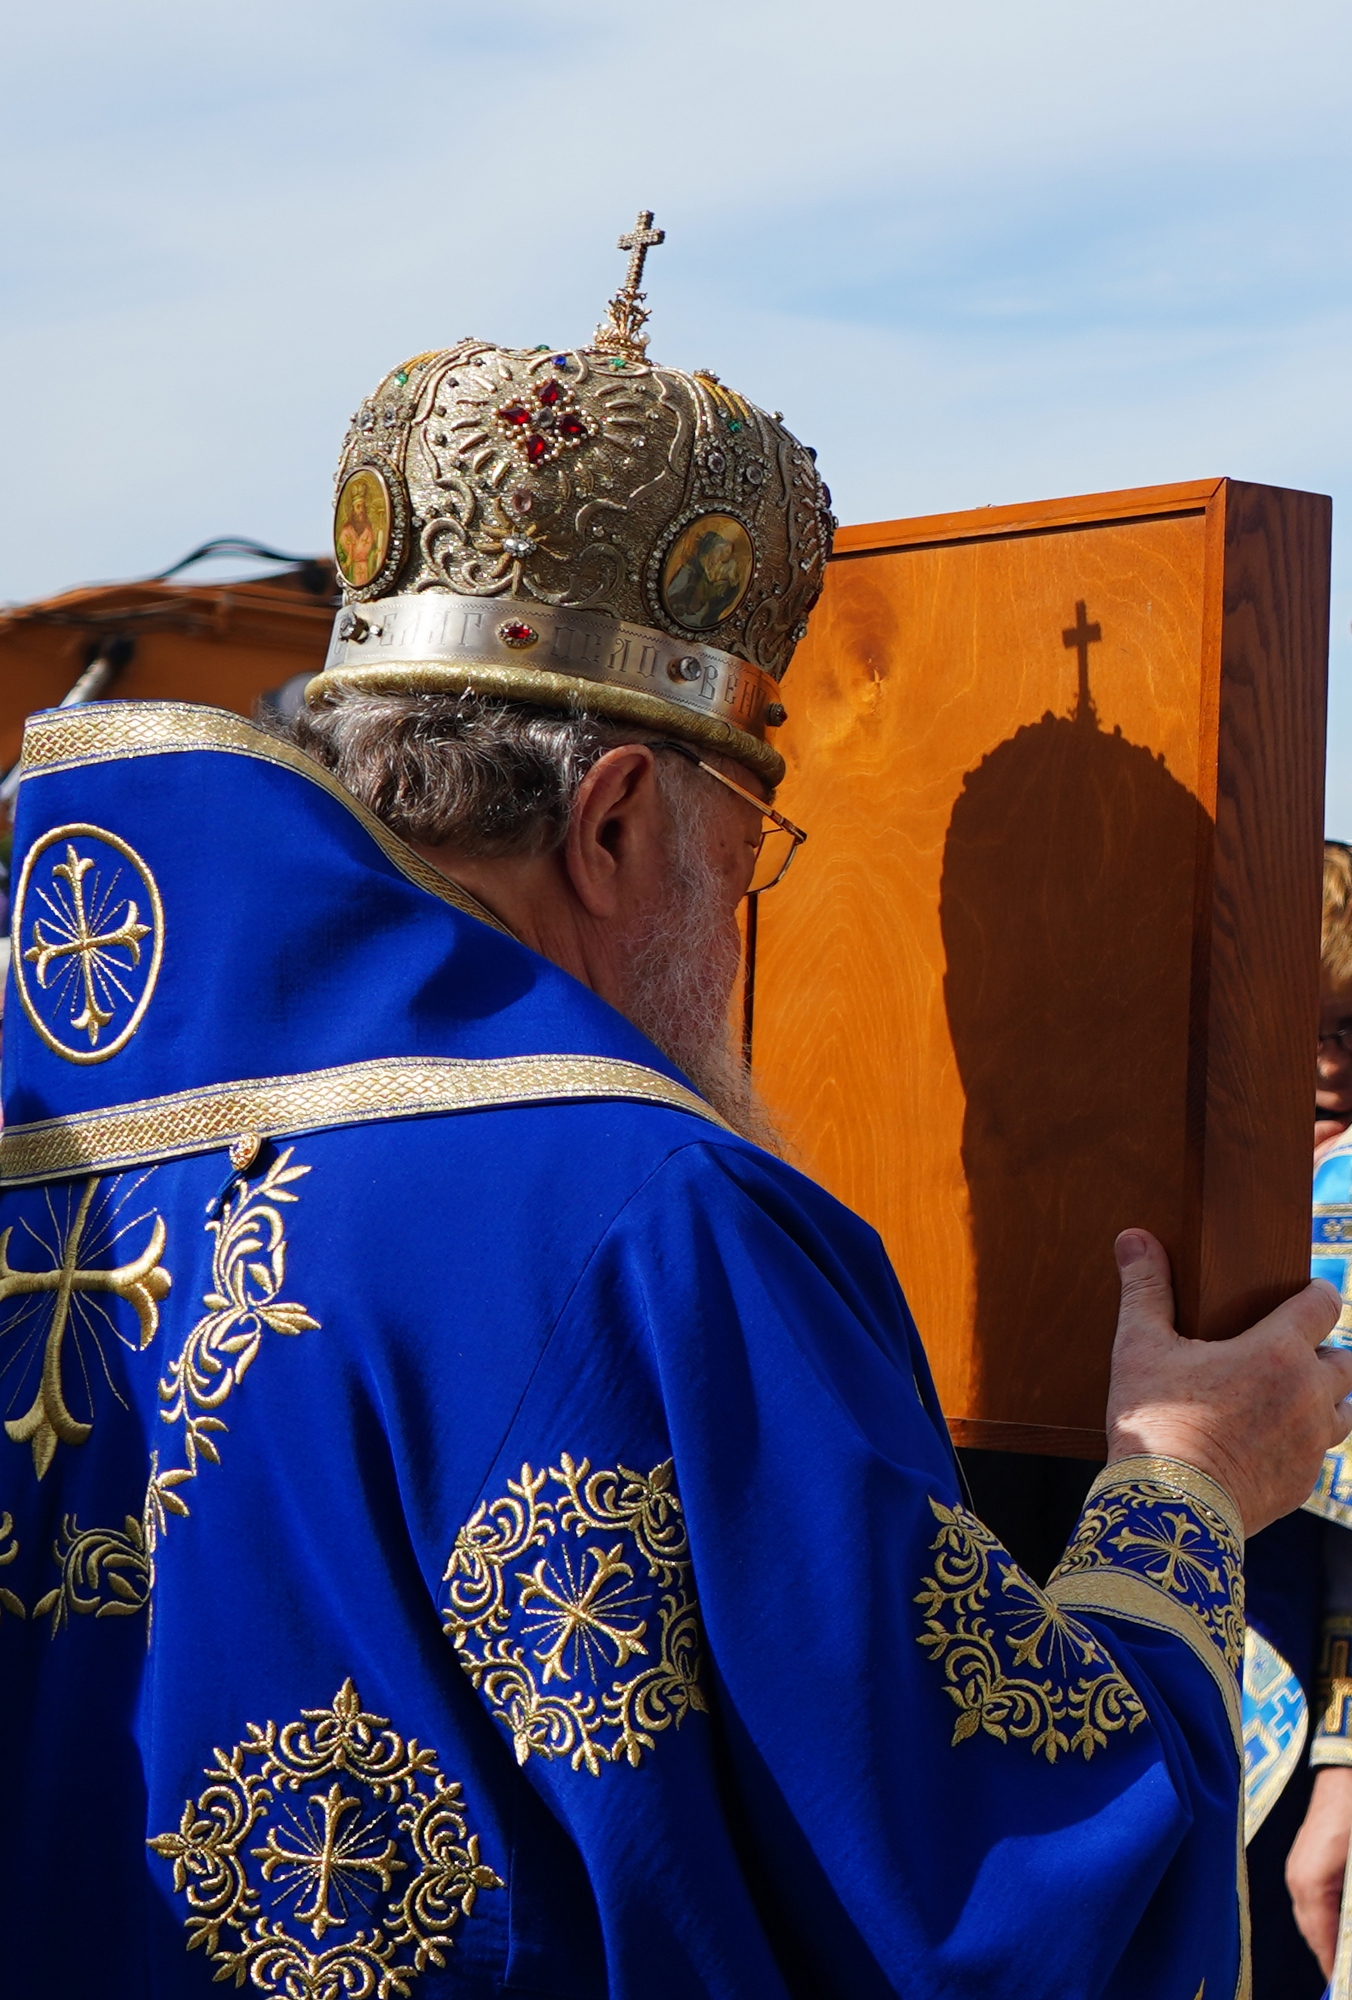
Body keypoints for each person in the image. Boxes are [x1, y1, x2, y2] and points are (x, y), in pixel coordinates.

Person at [2, 251, 1350, 1999]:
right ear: (623, 821)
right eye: (743, 857)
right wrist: (1179, 1487)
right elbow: (975, 1883)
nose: (736, 927)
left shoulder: (56, 1139)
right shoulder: (648, 1212)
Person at [1243, 840, 1352, 1991]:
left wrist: (1340, 1768)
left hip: (1283, 1706)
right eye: (1301, 1026)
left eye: (1351, 1032)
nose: (1324, 1069)